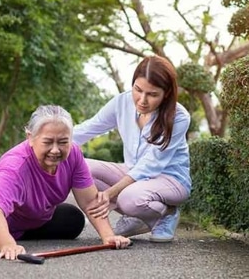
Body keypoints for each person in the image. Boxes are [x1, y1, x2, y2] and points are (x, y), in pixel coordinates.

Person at [0, 105, 130, 260]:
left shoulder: (74, 154)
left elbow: (90, 202)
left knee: (73, 220)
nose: (55, 150)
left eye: (62, 142)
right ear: (30, 138)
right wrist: (7, 244)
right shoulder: (16, 165)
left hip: (32, 214)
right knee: (62, 221)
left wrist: (109, 237)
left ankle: (30, 227)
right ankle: (12, 235)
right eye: (48, 142)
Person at [73, 55, 191, 243]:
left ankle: (166, 212)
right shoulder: (122, 102)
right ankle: (139, 214)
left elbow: (150, 165)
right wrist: (40, 141)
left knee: (129, 198)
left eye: (152, 94)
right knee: (81, 167)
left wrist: (111, 193)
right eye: (138, 90)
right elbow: (89, 128)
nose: (142, 100)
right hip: (133, 172)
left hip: (170, 179)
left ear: (166, 93)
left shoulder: (178, 117)